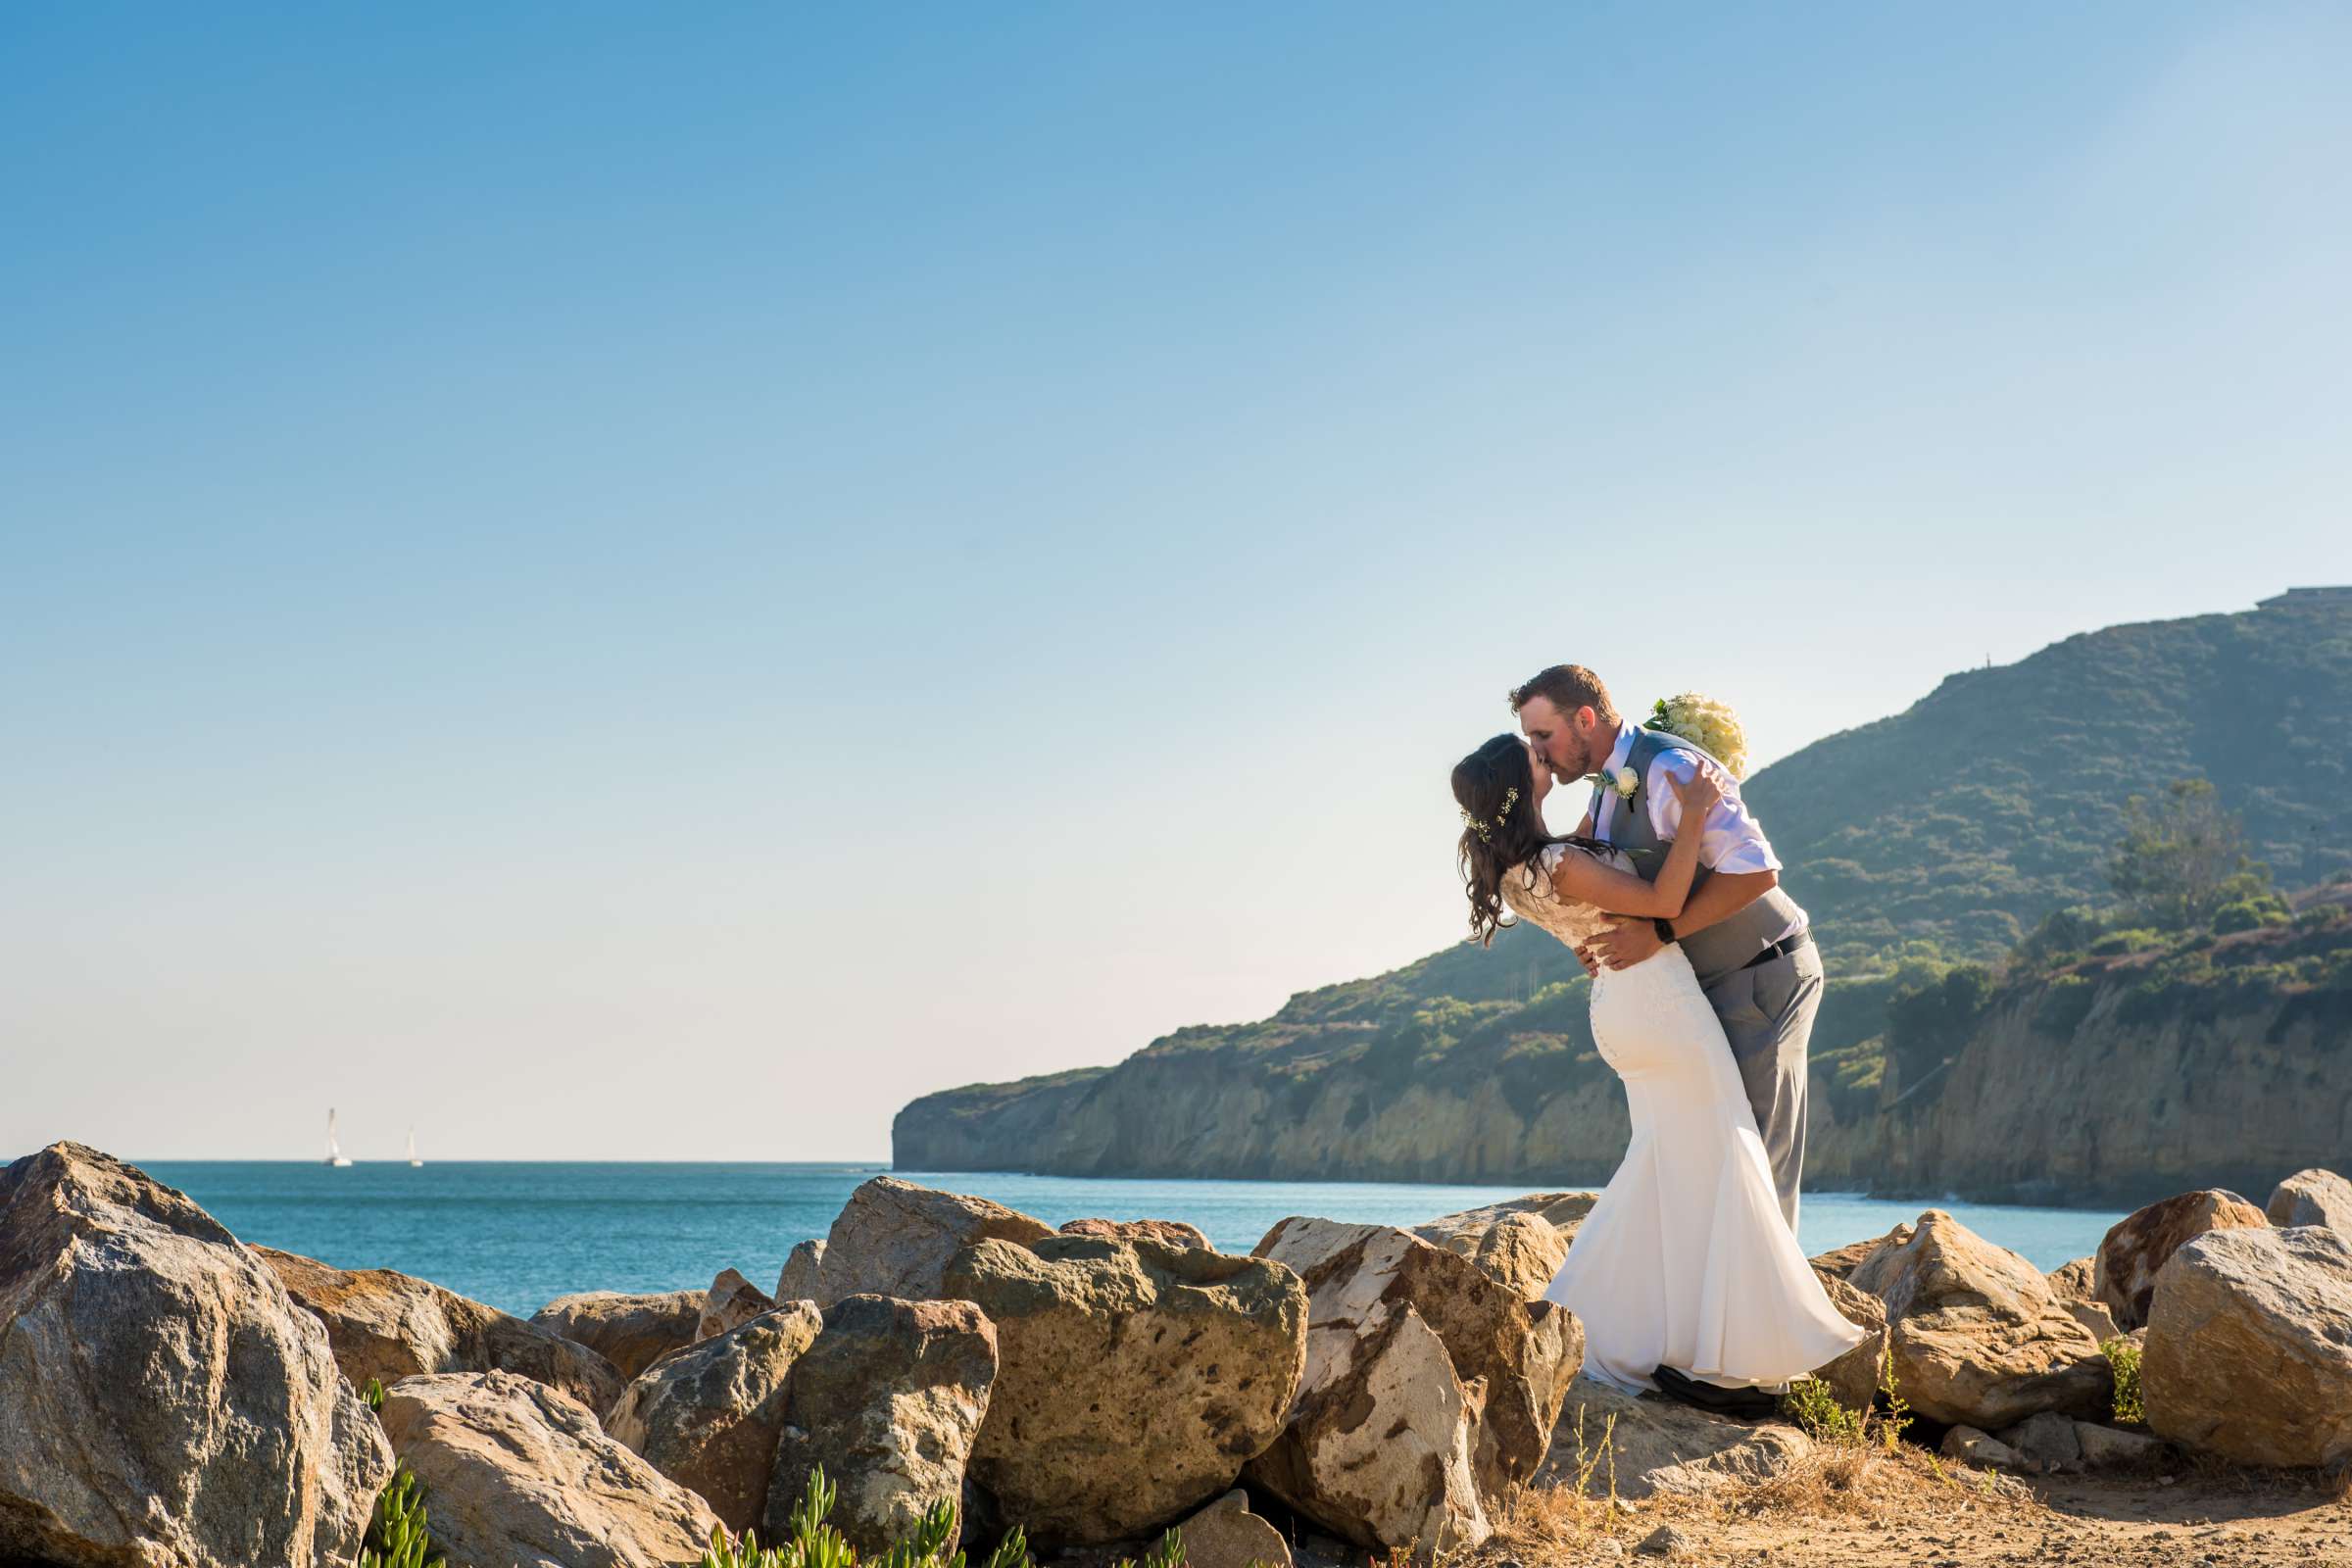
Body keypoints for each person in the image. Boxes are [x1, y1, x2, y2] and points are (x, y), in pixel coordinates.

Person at [1450, 732, 1865, 1406]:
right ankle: (1736, 1364)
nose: (1542, 754)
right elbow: (1667, 902)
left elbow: (1594, 861)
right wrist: (1696, 810)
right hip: (1662, 1010)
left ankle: (1620, 1330)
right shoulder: (1556, 859)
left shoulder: (1520, 867)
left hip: (1624, 1010)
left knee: (1663, 1168)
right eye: (1530, 754)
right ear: (1517, 787)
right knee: (1729, 1160)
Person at [1511, 663, 1820, 1232]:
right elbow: (1591, 877)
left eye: (1543, 736)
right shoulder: (1605, 788)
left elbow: (1757, 875)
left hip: (1762, 969)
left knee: (1757, 1150)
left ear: (1585, 719)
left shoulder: (1672, 769)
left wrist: (1659, 934)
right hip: (1696, 984)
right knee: (1712, 1151)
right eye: (1531, 740)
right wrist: (1594, 941)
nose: (1539, 751)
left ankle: (1768, 1315)